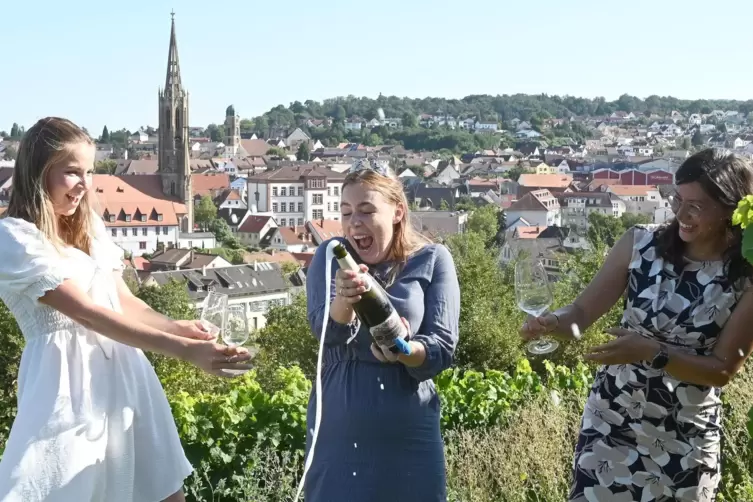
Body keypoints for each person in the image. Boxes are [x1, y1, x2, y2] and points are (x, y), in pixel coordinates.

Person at [0, 117, 253, 502]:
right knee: (51, 487)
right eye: (72, 172)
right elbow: (86, 313)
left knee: (163, 492)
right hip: (65, 389)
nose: (85, 185)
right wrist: (183, 351)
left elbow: (122, 302)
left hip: (128, 376)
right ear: (38, 172)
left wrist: (177, 327)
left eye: (89, 172)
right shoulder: (14, 239)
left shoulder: (91, 230)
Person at [521, 148, 753, 501]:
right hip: (611, 422)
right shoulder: (640, 243)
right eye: (678, 199)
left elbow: (721, 371)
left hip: (686, 438)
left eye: (697, 205)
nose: (681, 214)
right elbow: (582, 313)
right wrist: (552, 322)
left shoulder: (745, 278)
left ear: (730, 209)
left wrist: (650, 352)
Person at [303, 158, 460, 501]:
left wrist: (406, 350)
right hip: (339, 432)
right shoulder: (331, 256)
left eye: (365, 210)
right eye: (345, 213)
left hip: (410, 434)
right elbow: (325, 334)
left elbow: (441, 349)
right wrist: (345, 300)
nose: (354, 223)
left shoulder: (433, 259)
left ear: (398, 212)